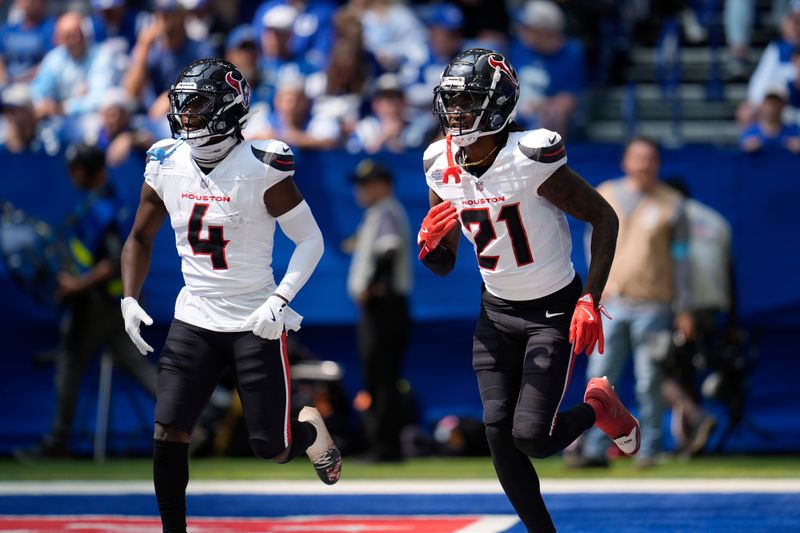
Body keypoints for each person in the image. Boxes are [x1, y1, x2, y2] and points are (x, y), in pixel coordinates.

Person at [119, 58, 341, 532]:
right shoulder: (164, 161)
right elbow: (138, 236)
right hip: (194, 314)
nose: (187, 118)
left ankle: (307, 428)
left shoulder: (262, 164)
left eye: (198, 107)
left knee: (271, 447)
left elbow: (311, 240)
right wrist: (129, 297)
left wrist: (279, 299)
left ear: (227, 108)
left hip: (253, 317)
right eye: (183, 107)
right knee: (168, 430)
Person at [418, 48, 636, 532]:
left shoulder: (531, 155)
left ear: (497, 104)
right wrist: (431, 249)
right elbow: (444, 262)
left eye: (468, 101)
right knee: (499, 435)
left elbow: (604, 216)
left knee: (532, 438)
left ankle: (599, 406)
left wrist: (591, 298)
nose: (455, 113)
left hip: (553, 309)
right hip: (494, 311)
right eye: (450, 102)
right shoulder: (438, 162)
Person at [13, 142, 157, 461]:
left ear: (83, 169)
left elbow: (111, 260)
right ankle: (194, 424)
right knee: (134, 364)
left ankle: (57, 440)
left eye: (75, 169)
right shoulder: (103, 201)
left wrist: (77, 284)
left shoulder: (105, 207)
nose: (72, 175)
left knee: (69, 364)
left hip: (98, 303)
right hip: (112, 301)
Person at [572, 136, 695, 470]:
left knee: (648, 379)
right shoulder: (607, 193)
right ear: (626, 161)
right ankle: (595, 448)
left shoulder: (673, 204)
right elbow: (590, 238)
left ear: (658, 163)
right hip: (612, 303)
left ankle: (649, 449)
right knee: (600, 377)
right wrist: (598, 284)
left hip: (654, 305)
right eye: (637, 158)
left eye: (650, 158)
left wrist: (684, 305)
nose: (643, 164)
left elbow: (682, 259)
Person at [346, 159, 412, 461]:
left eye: (368, 183)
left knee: (382, 375)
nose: (361, 190)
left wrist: (375, 286)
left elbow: (389, 249)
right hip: (382, 307)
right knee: (378, 374)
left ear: (385, 185)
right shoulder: (377, 212)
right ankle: (381, 442)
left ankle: (384, 445)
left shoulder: (385, 210)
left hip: (384, 306)